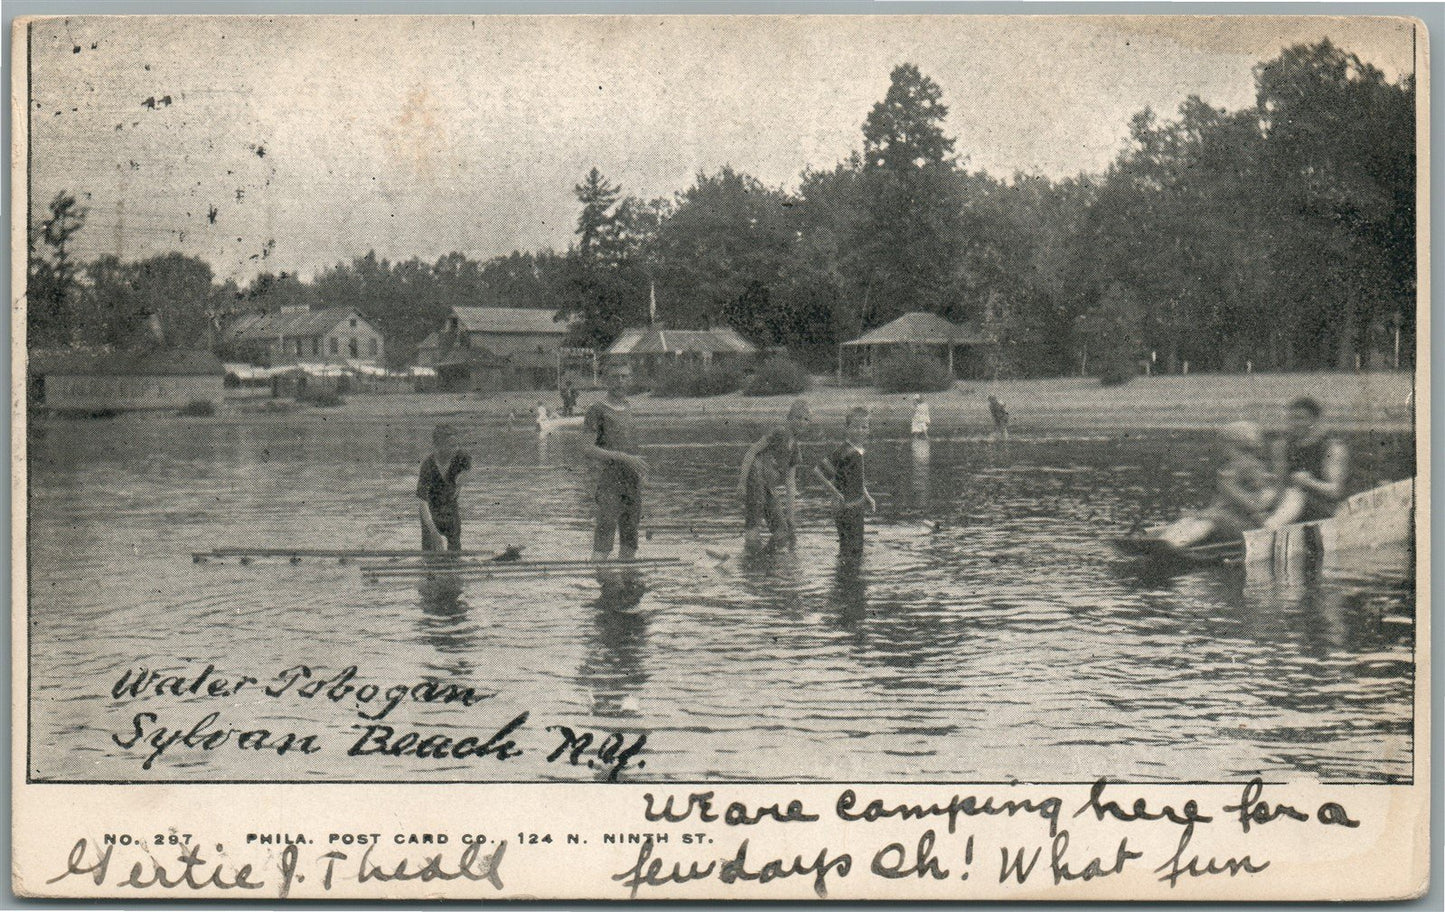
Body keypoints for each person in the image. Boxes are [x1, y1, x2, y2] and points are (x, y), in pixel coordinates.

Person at [1155, 421, 1277, 548]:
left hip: (1246, 524)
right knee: (1190, 519)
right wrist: (1203, 513)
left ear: (1235, 445)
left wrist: (1230, 488)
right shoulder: (1231, 468)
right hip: (1225, 519)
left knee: (1209, 521)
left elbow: (1258, 504)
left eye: (1225, 444)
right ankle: (1163, 542)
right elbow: (1219, 505)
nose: (1221, 448)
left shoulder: (1253, 468)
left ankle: (1174, 545)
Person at [582, 366, 648, 561]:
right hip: (609, 479)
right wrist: (624, 457)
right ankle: (600, 578)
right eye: (615, 377)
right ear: (605, 380)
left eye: (624, 377)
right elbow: (587, 448)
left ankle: (628, 585)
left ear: (630, 379)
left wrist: (643, 473)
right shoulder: (596, 410)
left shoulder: (629, 408)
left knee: (630, 538)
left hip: (632, 480)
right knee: (605, 534)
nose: (620, 381)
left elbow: (633, 447)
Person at [1264, 396, 1349, 527]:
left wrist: (1309, 482)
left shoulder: (1332, 448)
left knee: (1296, 494)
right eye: (1292, 419)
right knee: (1267, 495)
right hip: (1290, 506)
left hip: (1323, 508)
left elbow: (1335, 491)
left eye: (1301, 418)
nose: (1295, 423)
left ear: (1315, 420)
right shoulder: (1281, 446)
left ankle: (1270, 527)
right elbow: (1279, 485)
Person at [738, 398, 811, 549]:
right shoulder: (779, 432)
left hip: (769, 487)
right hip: (756, 478)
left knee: (782, 531)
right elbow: (752, 451)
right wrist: (742, 483)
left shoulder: (795, 449)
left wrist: (791, 516)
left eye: (806, 419)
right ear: (788, 418)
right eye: (798, 417)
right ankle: (750, 558)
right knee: (754, 522)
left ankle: (767, 562)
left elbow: (790, 483)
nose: (801, 422)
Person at [813, 407, 876, 562]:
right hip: (845, 507)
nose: (860, 431)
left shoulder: (858, 451)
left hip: (856, 505)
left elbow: (856, 478)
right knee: (849, 547)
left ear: (868, 429)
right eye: (855, 427)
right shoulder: (844, 451)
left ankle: (849, 579)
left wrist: (867, 496)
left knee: (856, 547)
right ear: (847, 429)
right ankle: (845, 579)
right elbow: (817, 472)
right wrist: (835, 493)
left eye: (864, 427)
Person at [417, 424, 472, 551]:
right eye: (451, 446)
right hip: (430, 513)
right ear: (438, 446)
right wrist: (433, 532)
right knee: (430, 555)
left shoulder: (460, 457)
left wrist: (462, 479)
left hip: (450, 510)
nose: (456, 449)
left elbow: (468, 466)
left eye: (457, 445)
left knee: (455, 552)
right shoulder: (428, 466)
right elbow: (422, 503)